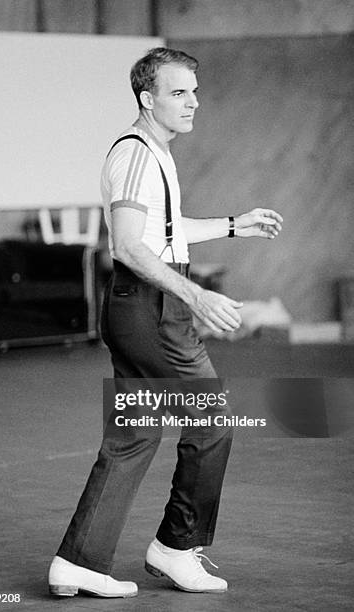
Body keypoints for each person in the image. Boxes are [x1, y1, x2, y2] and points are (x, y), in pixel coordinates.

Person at [48, 47, 283, 599]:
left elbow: (164, 233)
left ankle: (78, 561)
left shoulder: (153, 152)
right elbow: (129, 246)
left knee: (133, 435)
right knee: (211, 420)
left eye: (194, 91)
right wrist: (196, 295)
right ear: (147, 98)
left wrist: (233, 225)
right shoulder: (134, 154)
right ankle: (177, 548)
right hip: (152, 309)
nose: (192, 102)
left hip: (141, 306)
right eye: (179, 93)